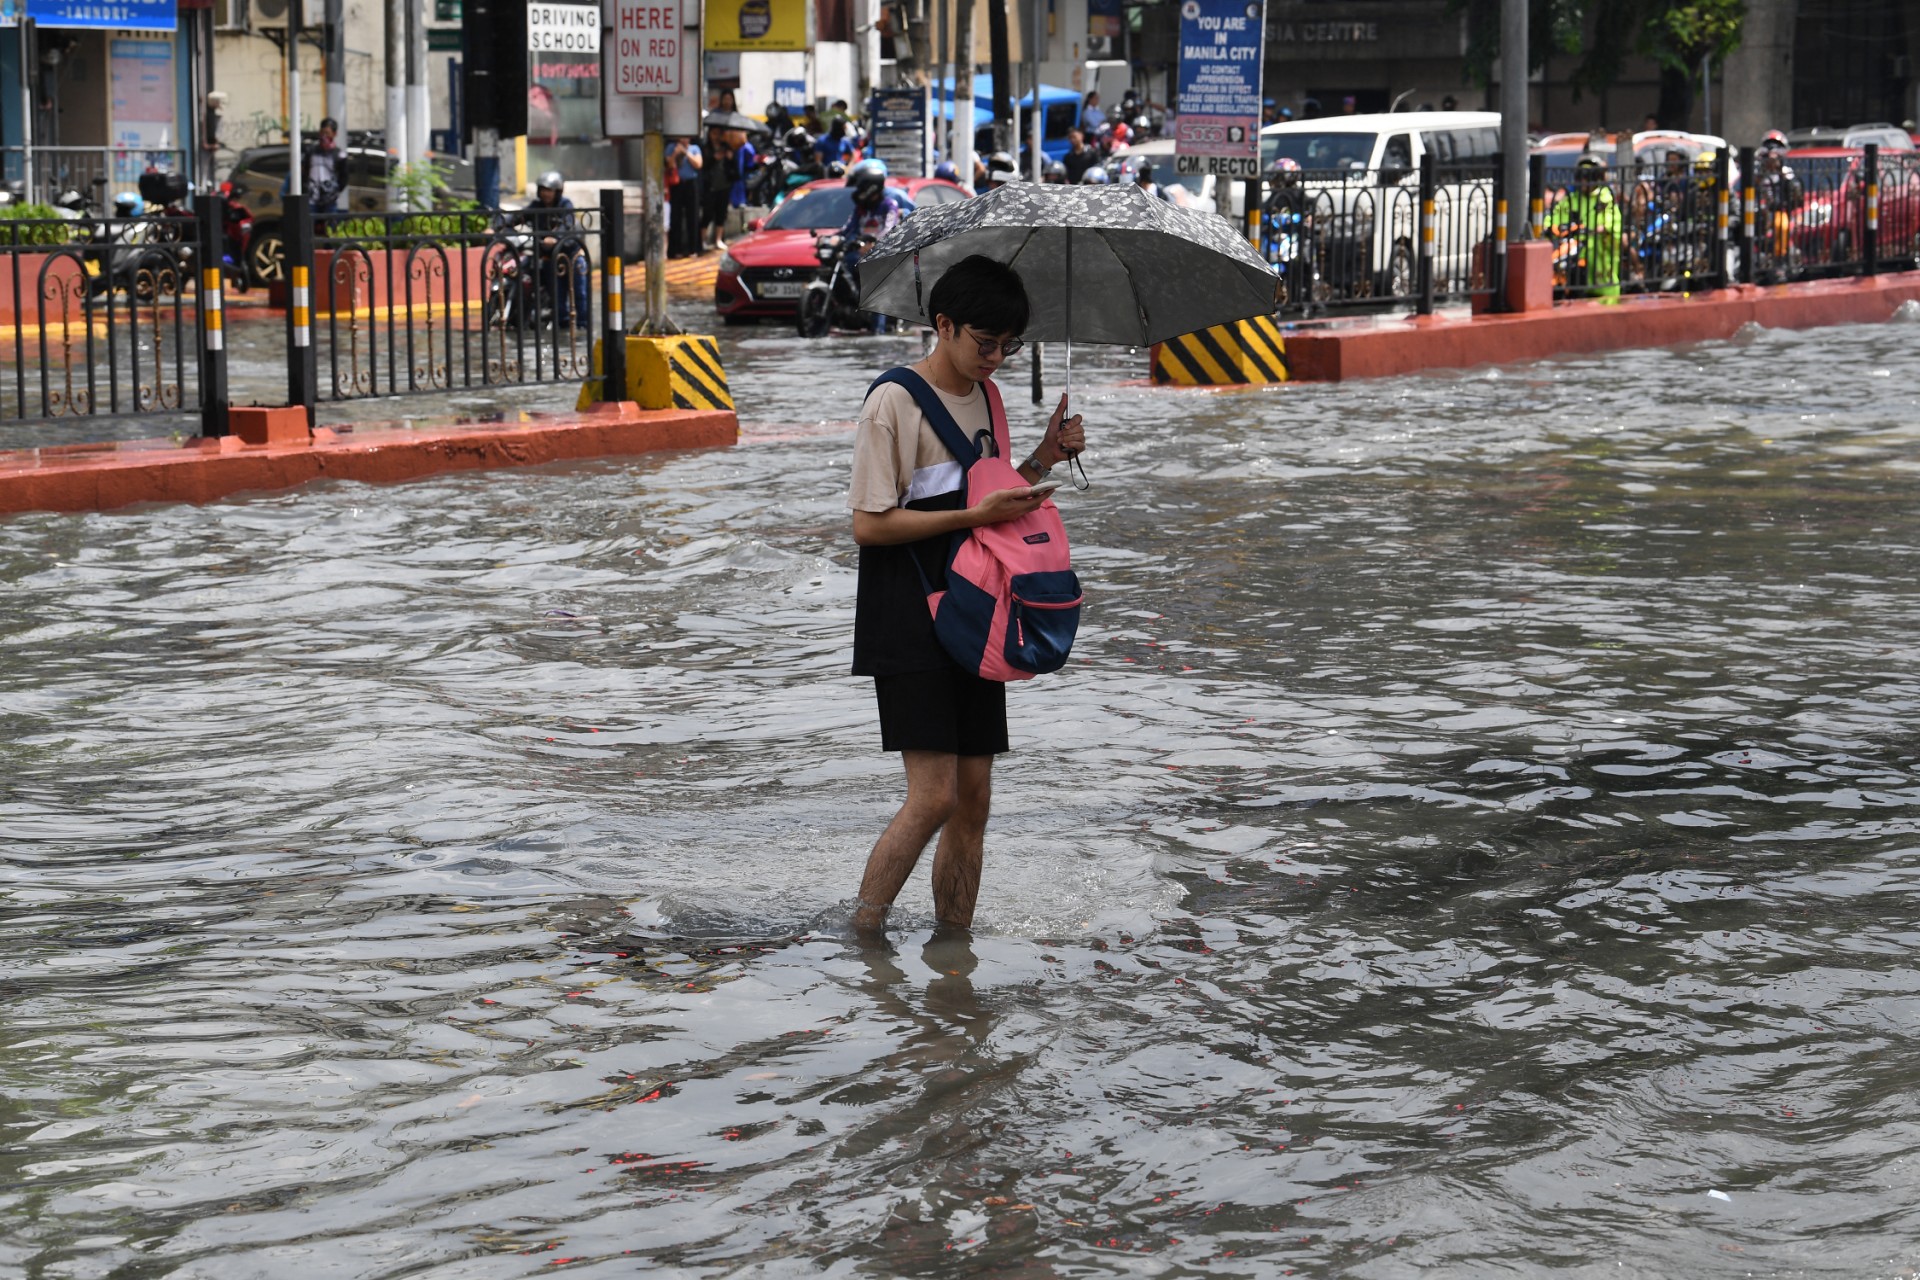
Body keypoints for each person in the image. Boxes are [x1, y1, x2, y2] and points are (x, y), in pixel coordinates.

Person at [845, 253, 1087, 934]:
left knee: (974, 798)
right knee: (933, 797)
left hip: (975, 610)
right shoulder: (890, 401)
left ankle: (953, 953)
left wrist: (1042, 459)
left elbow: (992, 496)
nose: (997, 358)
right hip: (905, 610)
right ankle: (864, 936)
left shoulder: (990, 397)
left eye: (1009, 347)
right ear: (943, 325)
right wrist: (972, 519)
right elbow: (868, 524)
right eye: (986, 343)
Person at [518, 170, 589, 329]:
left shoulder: (565, 205)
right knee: (557, 295)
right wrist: (498, 226)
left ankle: (583, 326)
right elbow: (519, 216)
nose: (546, 194)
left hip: (571, 255)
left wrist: (556, 237)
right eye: (543, 190)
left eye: (549, 190)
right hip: (551, 258)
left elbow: (567, 223)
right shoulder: (536, 206)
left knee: (580, 293)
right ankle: (562, 327)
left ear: (557, 191)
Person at [1547, 154, 1623, 297]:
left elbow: (1612, 220)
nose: (1584, 182)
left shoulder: (1605, 197)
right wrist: (1550, 226)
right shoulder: (1572, 199)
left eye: (1588, 177)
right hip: (1576, 251)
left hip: (1598, 251)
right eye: (1581, 177)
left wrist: (1603, 228)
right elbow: (1556, 217)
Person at [302, 117, 347, 218]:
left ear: (334, 134)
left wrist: (336, 191)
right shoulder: (311, 151)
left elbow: (344, 176)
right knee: (309, 229)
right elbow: (304, 171)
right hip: (311, 199)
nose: (324, 136)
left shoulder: (339, 154)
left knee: (330, 229)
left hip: (329, 199)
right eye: (322, 132)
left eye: (328, 133)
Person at [666, 136, 703, 258]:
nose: (684, 140)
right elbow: (670, 165)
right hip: (677, 184)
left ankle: (694, 248)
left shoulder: (694, 148)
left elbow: (698, 164)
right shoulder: (671, 148)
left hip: (691, 183)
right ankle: (676, 249)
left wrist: (686, 153)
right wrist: (676, 153)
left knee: (692, 215)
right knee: (675, 216)